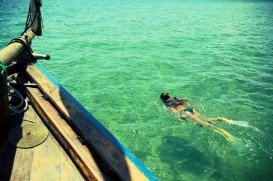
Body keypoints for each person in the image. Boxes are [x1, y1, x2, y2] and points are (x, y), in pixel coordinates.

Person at [160, 92, 234, 141]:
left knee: (204, 124)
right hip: (190, 109)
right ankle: (218, 119)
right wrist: (193, 108)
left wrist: (180, 117)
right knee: (205, 119)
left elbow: (174, 111)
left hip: (185, 113)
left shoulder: (166, 104)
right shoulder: (175, 98)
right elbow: (186, 101)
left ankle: (224, 133)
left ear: (163, 99)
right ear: (169, 96)